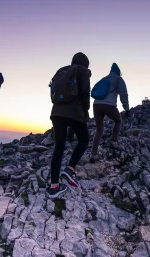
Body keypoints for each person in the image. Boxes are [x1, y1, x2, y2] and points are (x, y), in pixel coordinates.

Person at [47, 52, 91, 198]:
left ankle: (54, 187)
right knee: (84, 140)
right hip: (75, 112)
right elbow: (85, 91)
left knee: (59, 147)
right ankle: (70, 168)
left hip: (57, 112)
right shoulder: (83, 71)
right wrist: (86, 110)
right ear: (85, 63)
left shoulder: (61, 71)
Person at [91, 63, 129, 162]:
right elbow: (123, 94)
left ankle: (93, 154)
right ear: (118, 72)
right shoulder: (118, 79)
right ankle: (113, 140)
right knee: (118, 120)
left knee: (99, 130)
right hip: (109, 105)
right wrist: (127, 109)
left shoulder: (105, 78)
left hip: (96, 105)